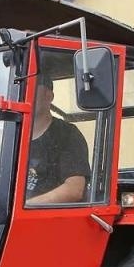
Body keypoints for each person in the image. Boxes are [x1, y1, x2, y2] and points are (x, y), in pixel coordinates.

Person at [25, 74, 90, 205]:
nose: (25, 95)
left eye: (32, 88)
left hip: (50, 216)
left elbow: (74, 189)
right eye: (23, 89)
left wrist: (25, 207)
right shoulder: (14, 137)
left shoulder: (67, 134)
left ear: (49, 96)